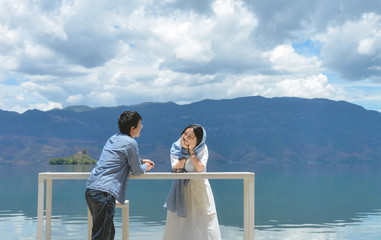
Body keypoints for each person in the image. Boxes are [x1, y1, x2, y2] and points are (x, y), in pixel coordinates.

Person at [85, 110, 155, 240]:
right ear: (133, 128)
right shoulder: (130, 142)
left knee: (108, 233)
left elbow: (118, 159)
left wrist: (140, 161)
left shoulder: (113, 138)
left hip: (92, 189)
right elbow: (137, 171)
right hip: (104, 193)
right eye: (140, 125)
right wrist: (146, 166)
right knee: (102, 236)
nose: (142, 127)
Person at [163, 124, 221, 240]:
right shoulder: (176, 148)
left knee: (203, 221)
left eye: (191, 136)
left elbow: (199, 168)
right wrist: (184, 151)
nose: (185, 137)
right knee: (179, 223)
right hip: (181, 190)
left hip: (199, 189)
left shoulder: (202, 148)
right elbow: (177, 169)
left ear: (198, 139)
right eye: (185, 134)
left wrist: (191, 151)